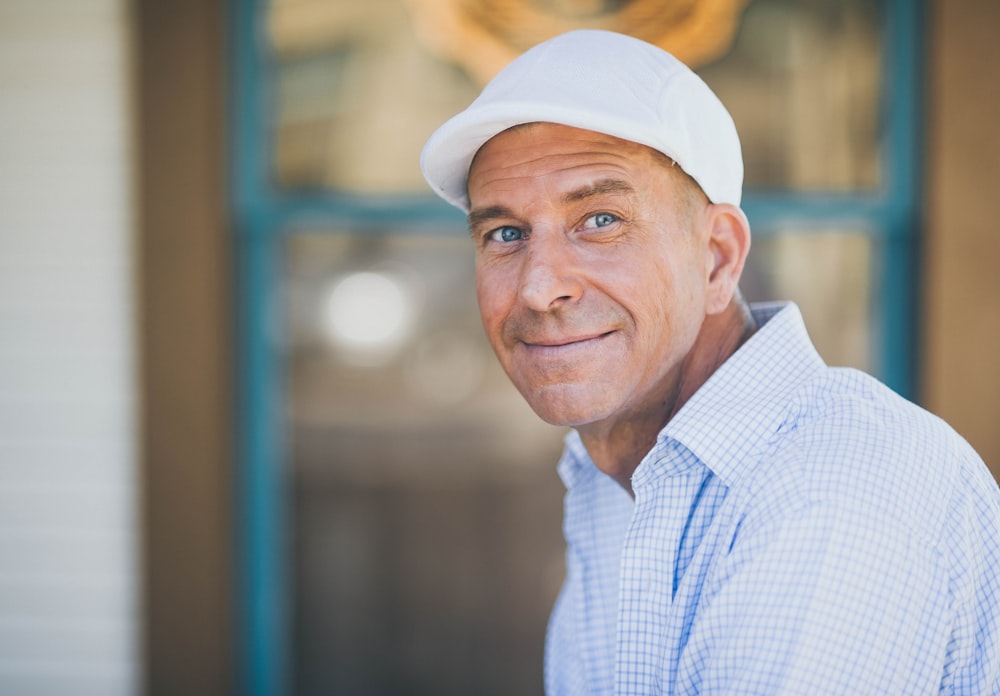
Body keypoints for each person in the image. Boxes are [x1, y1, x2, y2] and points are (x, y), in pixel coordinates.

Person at [420, 29, 1000, 694]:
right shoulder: (620, 479)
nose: (537, 287)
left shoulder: (837, 482)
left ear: (718, 257)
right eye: (506, 234)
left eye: (601, 220)